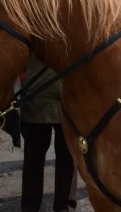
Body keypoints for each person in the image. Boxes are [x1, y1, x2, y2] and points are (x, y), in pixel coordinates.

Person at [20, 56, 78, 212]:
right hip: (39, 92)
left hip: (59, 91)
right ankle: (59, 208)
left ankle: (55, 207)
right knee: (38, 158)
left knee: (65, 158)